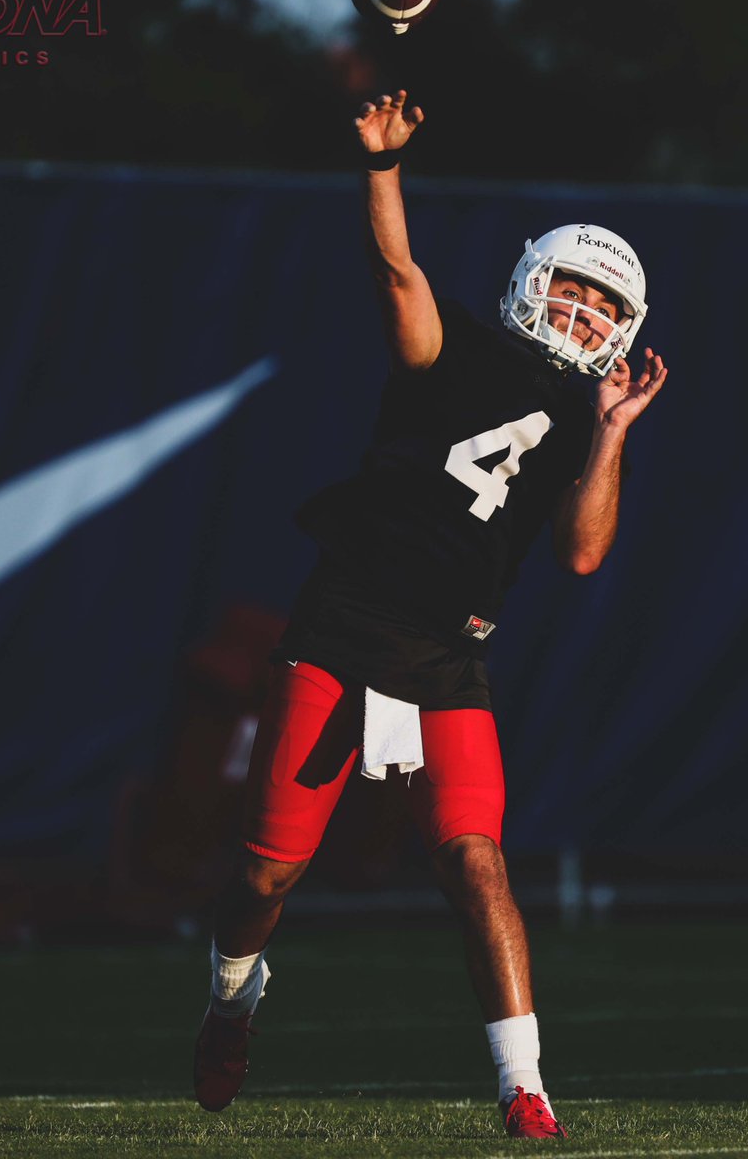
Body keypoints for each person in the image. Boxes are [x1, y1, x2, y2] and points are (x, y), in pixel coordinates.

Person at [192, 89, 667, 1139]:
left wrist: (615, 434)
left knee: (476, 860)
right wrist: (381, 168)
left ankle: (524, 1084)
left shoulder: (588, 416)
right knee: (266, 874)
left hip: (446, 660)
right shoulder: (452, 349)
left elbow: (582, 556)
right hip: (340, 631)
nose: (583, 313)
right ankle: (233, 993)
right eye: (573, 290)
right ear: (531, 284)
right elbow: (398, 272)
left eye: (603, 305)